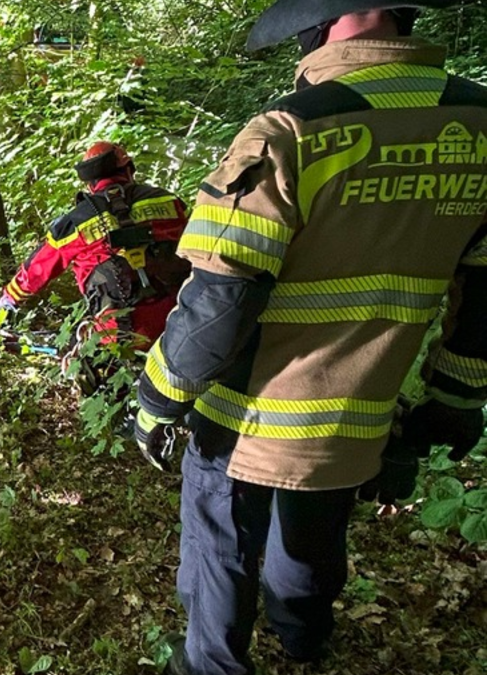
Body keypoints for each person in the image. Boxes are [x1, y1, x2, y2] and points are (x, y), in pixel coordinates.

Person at [131, 2, 486, 673]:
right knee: (314, 541)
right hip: (360, 413)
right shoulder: (478, 125)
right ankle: (304, 641)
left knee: (220, 547)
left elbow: (220, 303)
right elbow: (485, 297)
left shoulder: (290, 132)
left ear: (326, 21)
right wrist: (457, 396)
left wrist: (157, 397)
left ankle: (209, 665)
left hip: (246, 413)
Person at [0, 141, 190, 353]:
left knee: (74, 351)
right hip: (187, 323)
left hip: (121, 338)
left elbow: (37, 270)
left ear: (90, 184)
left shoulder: (75, 222)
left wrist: (6, 303)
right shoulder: (170, 201)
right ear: (129, 169)